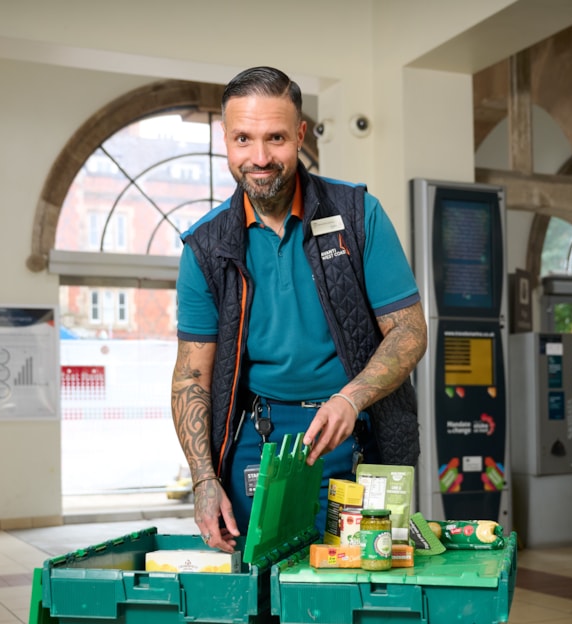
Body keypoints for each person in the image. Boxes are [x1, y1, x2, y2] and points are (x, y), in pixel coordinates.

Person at [171, 65, 427, 553]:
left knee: (357, 589)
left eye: (276, 138)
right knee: (261, 597)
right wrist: (204, 479)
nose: (260, 158)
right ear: (225, 139)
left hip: (356, 431)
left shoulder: (356, 215)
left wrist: (351, 400)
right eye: (243, 139)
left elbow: (410, 332)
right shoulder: (204, 247)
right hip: (255, 443)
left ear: (301, 135)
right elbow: (190, 377)